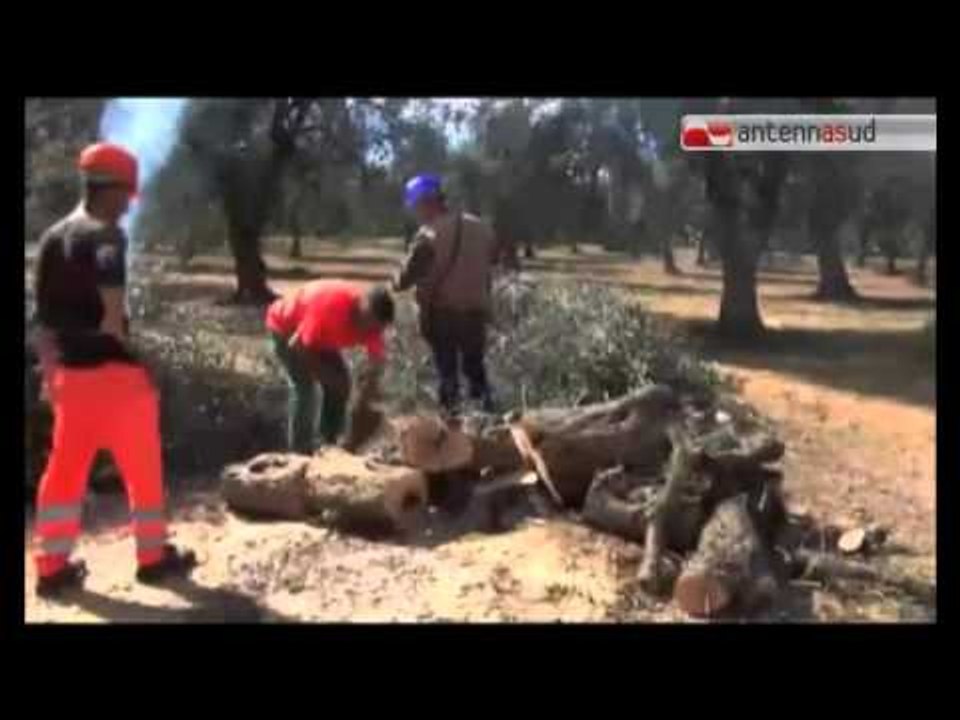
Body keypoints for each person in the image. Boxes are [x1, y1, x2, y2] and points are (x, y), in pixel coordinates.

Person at [31, 142, 196, 599]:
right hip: (115, 379)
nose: (127, 207)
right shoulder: (106, 237)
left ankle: (51, 567)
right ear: (116, 190)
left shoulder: (52, 236)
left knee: (63, 475)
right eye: (127, 197)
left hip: (70, 378)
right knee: (142, 471)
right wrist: (146, 361)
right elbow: (111, 317)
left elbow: (42, 322)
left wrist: (51, 375)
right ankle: (152, 558)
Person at [393, 174, 498, 414]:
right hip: (476, 312)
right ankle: (487, 422)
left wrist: (394, 282)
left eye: (417, 207)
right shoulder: (481, 227)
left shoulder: (429, 234)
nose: (417, 213)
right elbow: (492, 261)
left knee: (447, 374)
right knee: (475, 371)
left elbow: (406, 278)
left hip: (443, 314)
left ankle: (451, 426)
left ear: (427, 202)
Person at [266, 280, 395, 453]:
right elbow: (297, 345)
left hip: (320, 339)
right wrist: (325, 376)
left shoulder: (373, 327)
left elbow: (376, 363)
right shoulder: (330, 307)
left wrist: (367, 396)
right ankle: (300, 451)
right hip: (286, 329)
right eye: (367, 323)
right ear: (362, 308)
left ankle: (329, 444)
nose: (368, 331)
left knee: (341, 383)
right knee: (305, 389)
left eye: (375, 328)